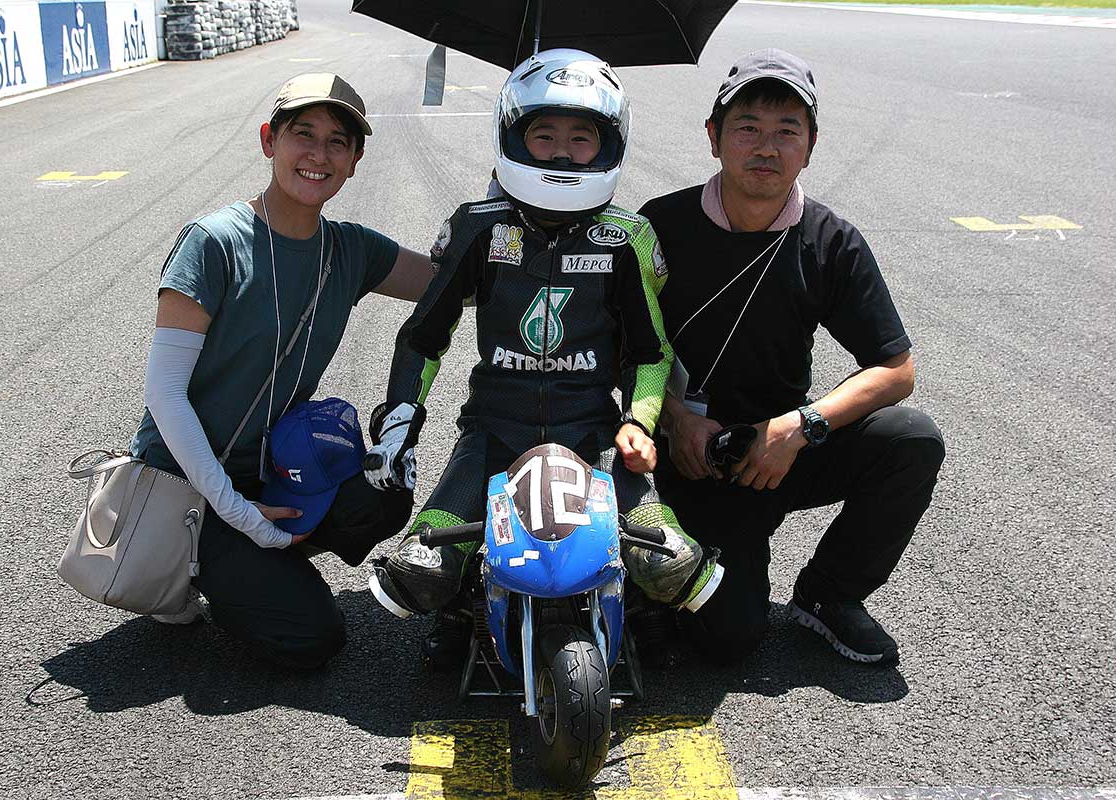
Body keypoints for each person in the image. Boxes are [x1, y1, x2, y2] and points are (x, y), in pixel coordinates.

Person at [363, 49, 722, 669]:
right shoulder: (476, 228)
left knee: (672, 565)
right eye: (544, 134)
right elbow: (422, 337)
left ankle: (638, 602)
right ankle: (462, 605)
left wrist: (638, 422)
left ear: (610, 143)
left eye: (581, 137)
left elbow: (651, 352)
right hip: (493, 431)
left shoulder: (628, 238)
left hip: (594, 432)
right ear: (512, 136)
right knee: (420, 571)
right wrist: (399, 426)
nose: (561, 153)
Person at [639, 50, 945, 666]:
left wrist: (799, 427)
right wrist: (674, 420)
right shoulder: (659, 226)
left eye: (787, 131)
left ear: (810, 146)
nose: (766, 147)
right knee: (727, 639)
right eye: (747, 127)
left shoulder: (831, 241)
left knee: (911, 437)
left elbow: (896, 370)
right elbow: (617, 349)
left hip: (779, 451)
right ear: (713, 137)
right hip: (689, 456)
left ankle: (830, 595)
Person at [127, 73, 433, 669]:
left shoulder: (351, 249)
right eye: (303, 134)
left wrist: (503, 216)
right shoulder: (214, 242)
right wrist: (239, 513)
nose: (319, 155)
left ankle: (258, 565)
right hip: (188, 484)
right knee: (311, 640)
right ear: (270, 140)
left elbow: (455, 286)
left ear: (355, 160)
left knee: (385, 493)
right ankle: (195, 565)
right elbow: (164, 395)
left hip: (271, 471)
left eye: (338, 142)